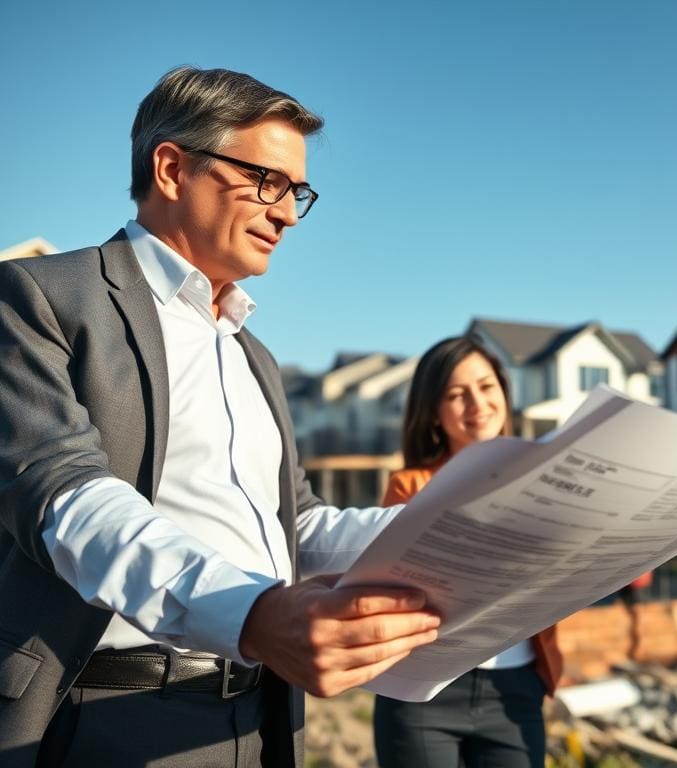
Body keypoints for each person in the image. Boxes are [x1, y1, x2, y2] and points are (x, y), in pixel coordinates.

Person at [0, 66, 441, 768]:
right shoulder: (39, 297)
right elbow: (64, 496)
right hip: (104, 715)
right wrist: (255, 615)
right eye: (267, 181)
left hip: (263, 719)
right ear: (172, 168)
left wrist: (458, 530)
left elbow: (296, 528)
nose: (288, 213)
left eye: (298, 192)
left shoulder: (254, 354)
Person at [373, 335, 563, 768]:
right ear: (434, 414)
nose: (477, 403)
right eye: (457, 395)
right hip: (426, 691)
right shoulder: (410, 487)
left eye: (486, 386)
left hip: (514, 688)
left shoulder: (550, 478)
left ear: (503, 392)